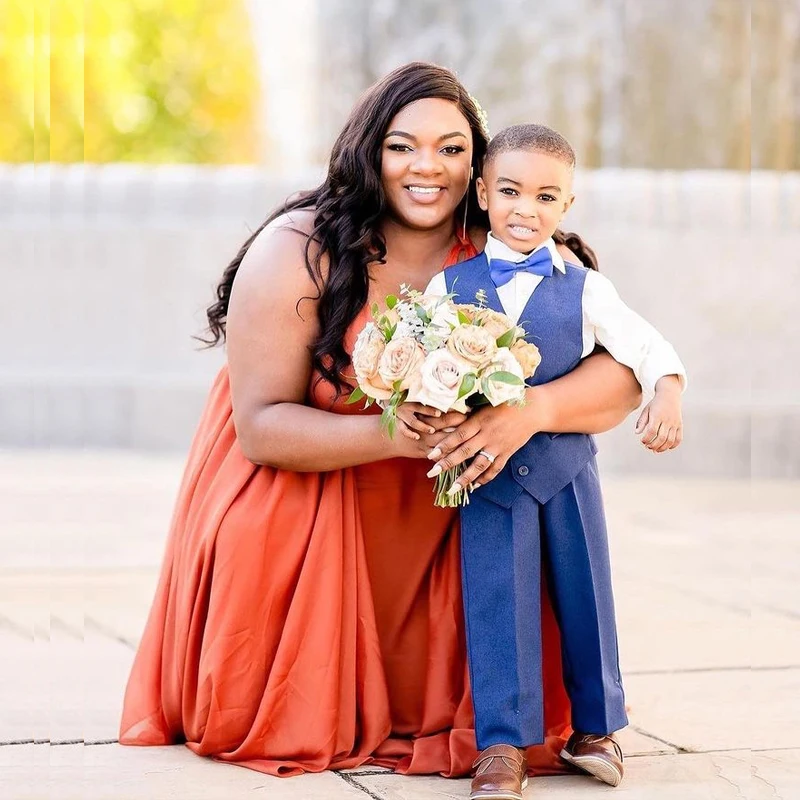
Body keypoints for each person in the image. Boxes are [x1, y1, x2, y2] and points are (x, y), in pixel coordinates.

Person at [118, 63, 642, 785]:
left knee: (542, 485)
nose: (428, 167)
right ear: (369, 150)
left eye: (452, 149)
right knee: (258, 704)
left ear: (481, 167)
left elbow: (621, 379)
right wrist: (395, 436)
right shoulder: (300, 247)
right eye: (403, 146)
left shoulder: (518, 246)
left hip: (451, 508)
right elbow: (261, 427)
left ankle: (542, 717)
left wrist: (532, 410)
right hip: (311, 493)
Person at [423, 124, 685, 799]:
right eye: (509, 191)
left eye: (545, 196)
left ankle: (596, 730)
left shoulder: (587, 288)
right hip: (486, 476)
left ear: (567, 206)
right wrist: (430, 406)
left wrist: (669, 392)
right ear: (481, 193)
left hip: (569, 471)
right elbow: (422, 372)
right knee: (495, 599)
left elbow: (647, 345)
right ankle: (502, 747)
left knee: (586, 592)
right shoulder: (448, 288)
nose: (525, 209)